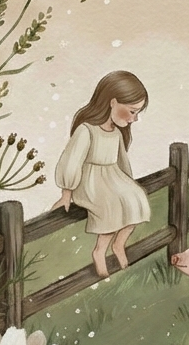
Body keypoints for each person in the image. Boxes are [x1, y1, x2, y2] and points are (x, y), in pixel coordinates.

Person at [54, 70, 151, 275]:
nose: (134, 119)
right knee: (111, 204)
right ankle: (100, 251)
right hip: (89, 182)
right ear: (113, 102)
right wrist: (66, 193)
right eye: (132, 111)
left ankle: (119, 244)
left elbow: (121, 160)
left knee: (136, 198)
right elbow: (71, 162)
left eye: (137, 113)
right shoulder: (87, 130)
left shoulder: (116, 132)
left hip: (112, 178)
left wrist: (129, 183)